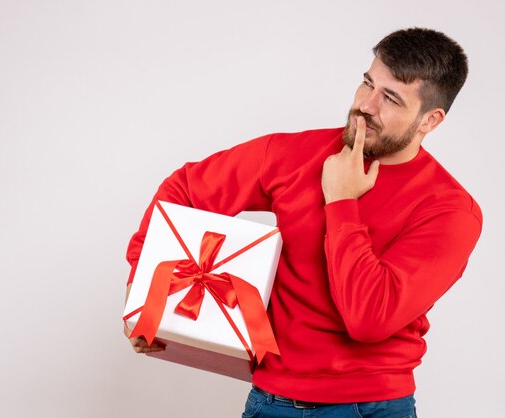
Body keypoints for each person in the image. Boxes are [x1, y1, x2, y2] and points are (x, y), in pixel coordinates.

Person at [124, 27, 482, 418]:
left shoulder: (450, 211)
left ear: (430, 120)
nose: (365, 105)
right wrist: (145, 296)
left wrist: (341, 200)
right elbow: (185, 189)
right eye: (367, 84)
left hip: (371, 407)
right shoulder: (292, 154)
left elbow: (369, 318)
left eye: (391, 98)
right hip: (270, 399)